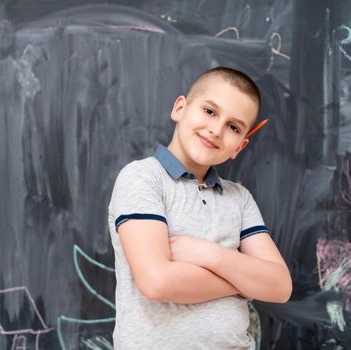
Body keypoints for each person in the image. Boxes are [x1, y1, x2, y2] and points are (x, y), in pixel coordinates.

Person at [107, 66, 292, 349]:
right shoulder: (143, 178)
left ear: (239, 147)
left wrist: (209, 254)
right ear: (180, 108)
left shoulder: (239, 198)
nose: (216, 130)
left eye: (233, 127)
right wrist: (244, 282)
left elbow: (279, 287)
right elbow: (158, 282)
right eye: (209, 111)